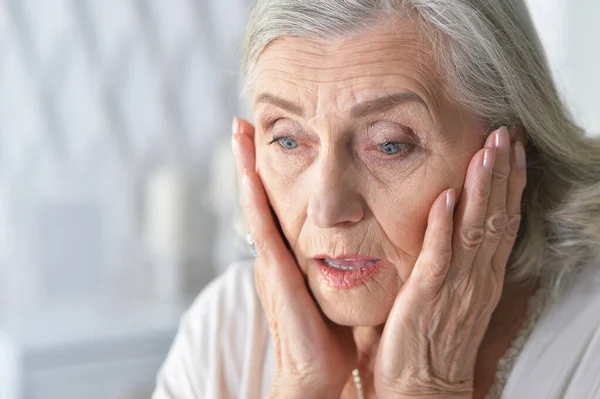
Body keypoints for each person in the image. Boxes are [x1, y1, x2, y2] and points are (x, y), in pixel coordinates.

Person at [152, 0, 600, 398]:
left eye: (389, 145)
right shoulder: (225, 327)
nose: (326, 208)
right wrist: (301, 385)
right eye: (288, 140)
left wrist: (426, 390)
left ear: (506, 155)